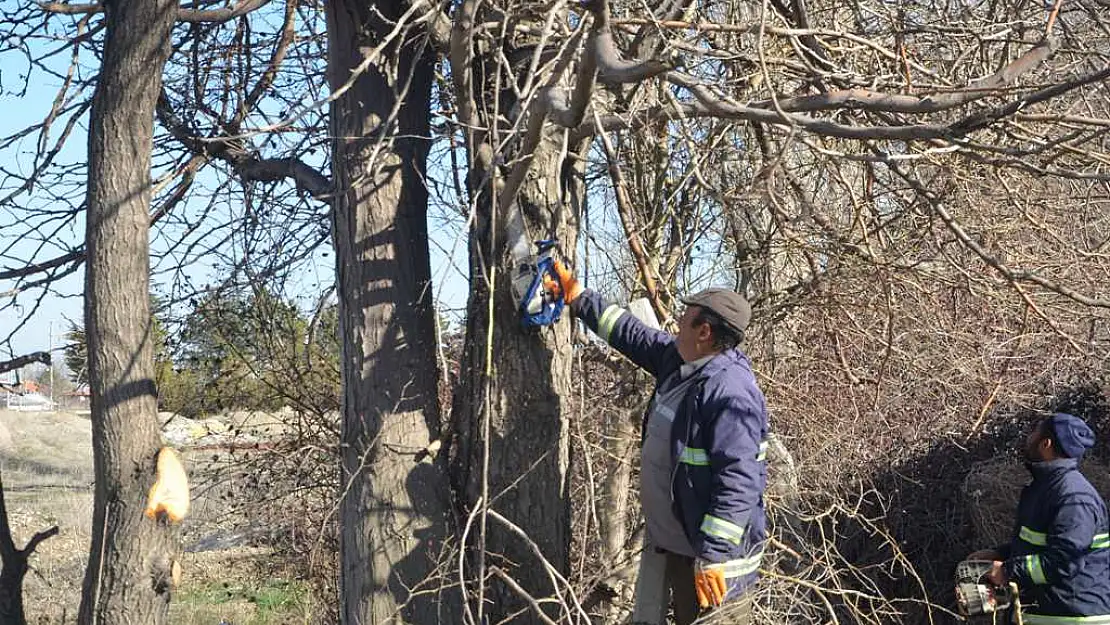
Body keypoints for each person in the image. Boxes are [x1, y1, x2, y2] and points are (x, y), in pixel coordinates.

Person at [550, 261, 768, 625]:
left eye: (686, 317)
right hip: (680, 551)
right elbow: (631, 333)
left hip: (715, 572)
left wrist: (714, 557)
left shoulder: (731, 393)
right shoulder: (683, 361)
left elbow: (740, 481)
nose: (677, 323)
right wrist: (578, 297)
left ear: (704, 331)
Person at [968, 413, 1110, 624]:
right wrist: (1000, 554)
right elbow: (1043, 545)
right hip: (1049, 615)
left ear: (1046, 443)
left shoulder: (1074, 498)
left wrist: (1007, 571)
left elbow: (1065, 562)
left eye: (1034, 432)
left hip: (1075, 617)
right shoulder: (1046, 489)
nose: (1028, 437)